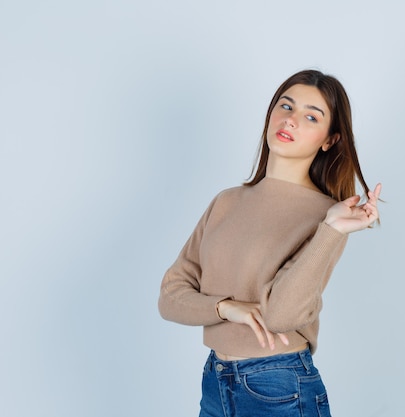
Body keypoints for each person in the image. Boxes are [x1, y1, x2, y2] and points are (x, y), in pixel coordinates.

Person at [158, 69, 381, 417]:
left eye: (311, 116)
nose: (291, 121)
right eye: (286, 106)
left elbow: (281, 315)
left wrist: (331, 230)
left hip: (280, 385)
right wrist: (225, 307)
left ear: (329, 140)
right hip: (215, 381)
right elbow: (170, 296)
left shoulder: (328, 217)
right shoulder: (226, 202)